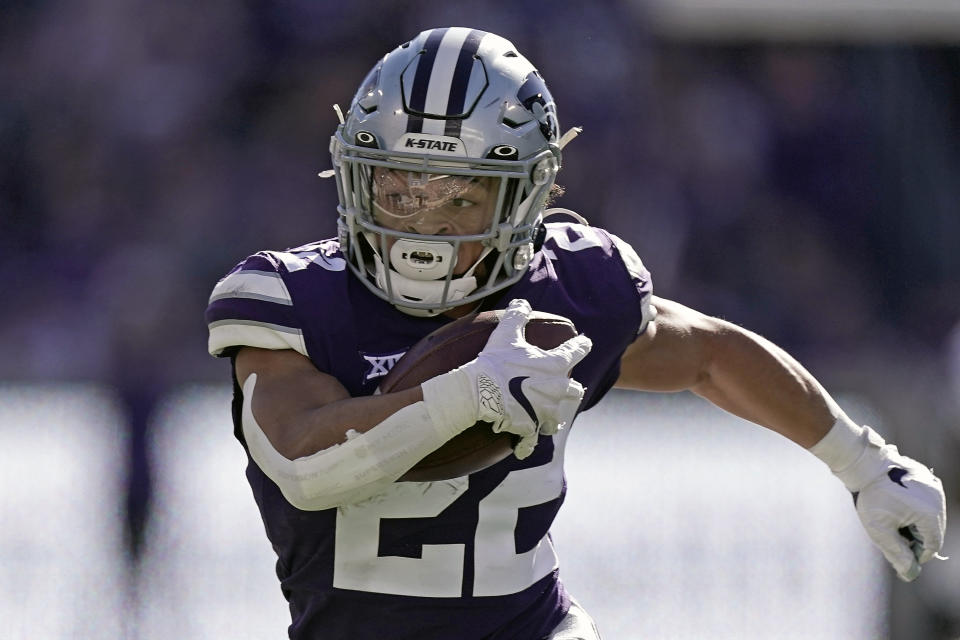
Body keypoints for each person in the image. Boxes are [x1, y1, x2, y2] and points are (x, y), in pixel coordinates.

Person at [205, 27, 947, 640]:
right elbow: (305, 465)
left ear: (525, 195)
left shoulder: (571, 288)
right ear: (354, 177)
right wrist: (466, 394)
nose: (420, 225)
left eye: (460, 198)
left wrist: (864, 462)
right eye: (396, 191)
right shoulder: (288, 296)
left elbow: (710, 356)